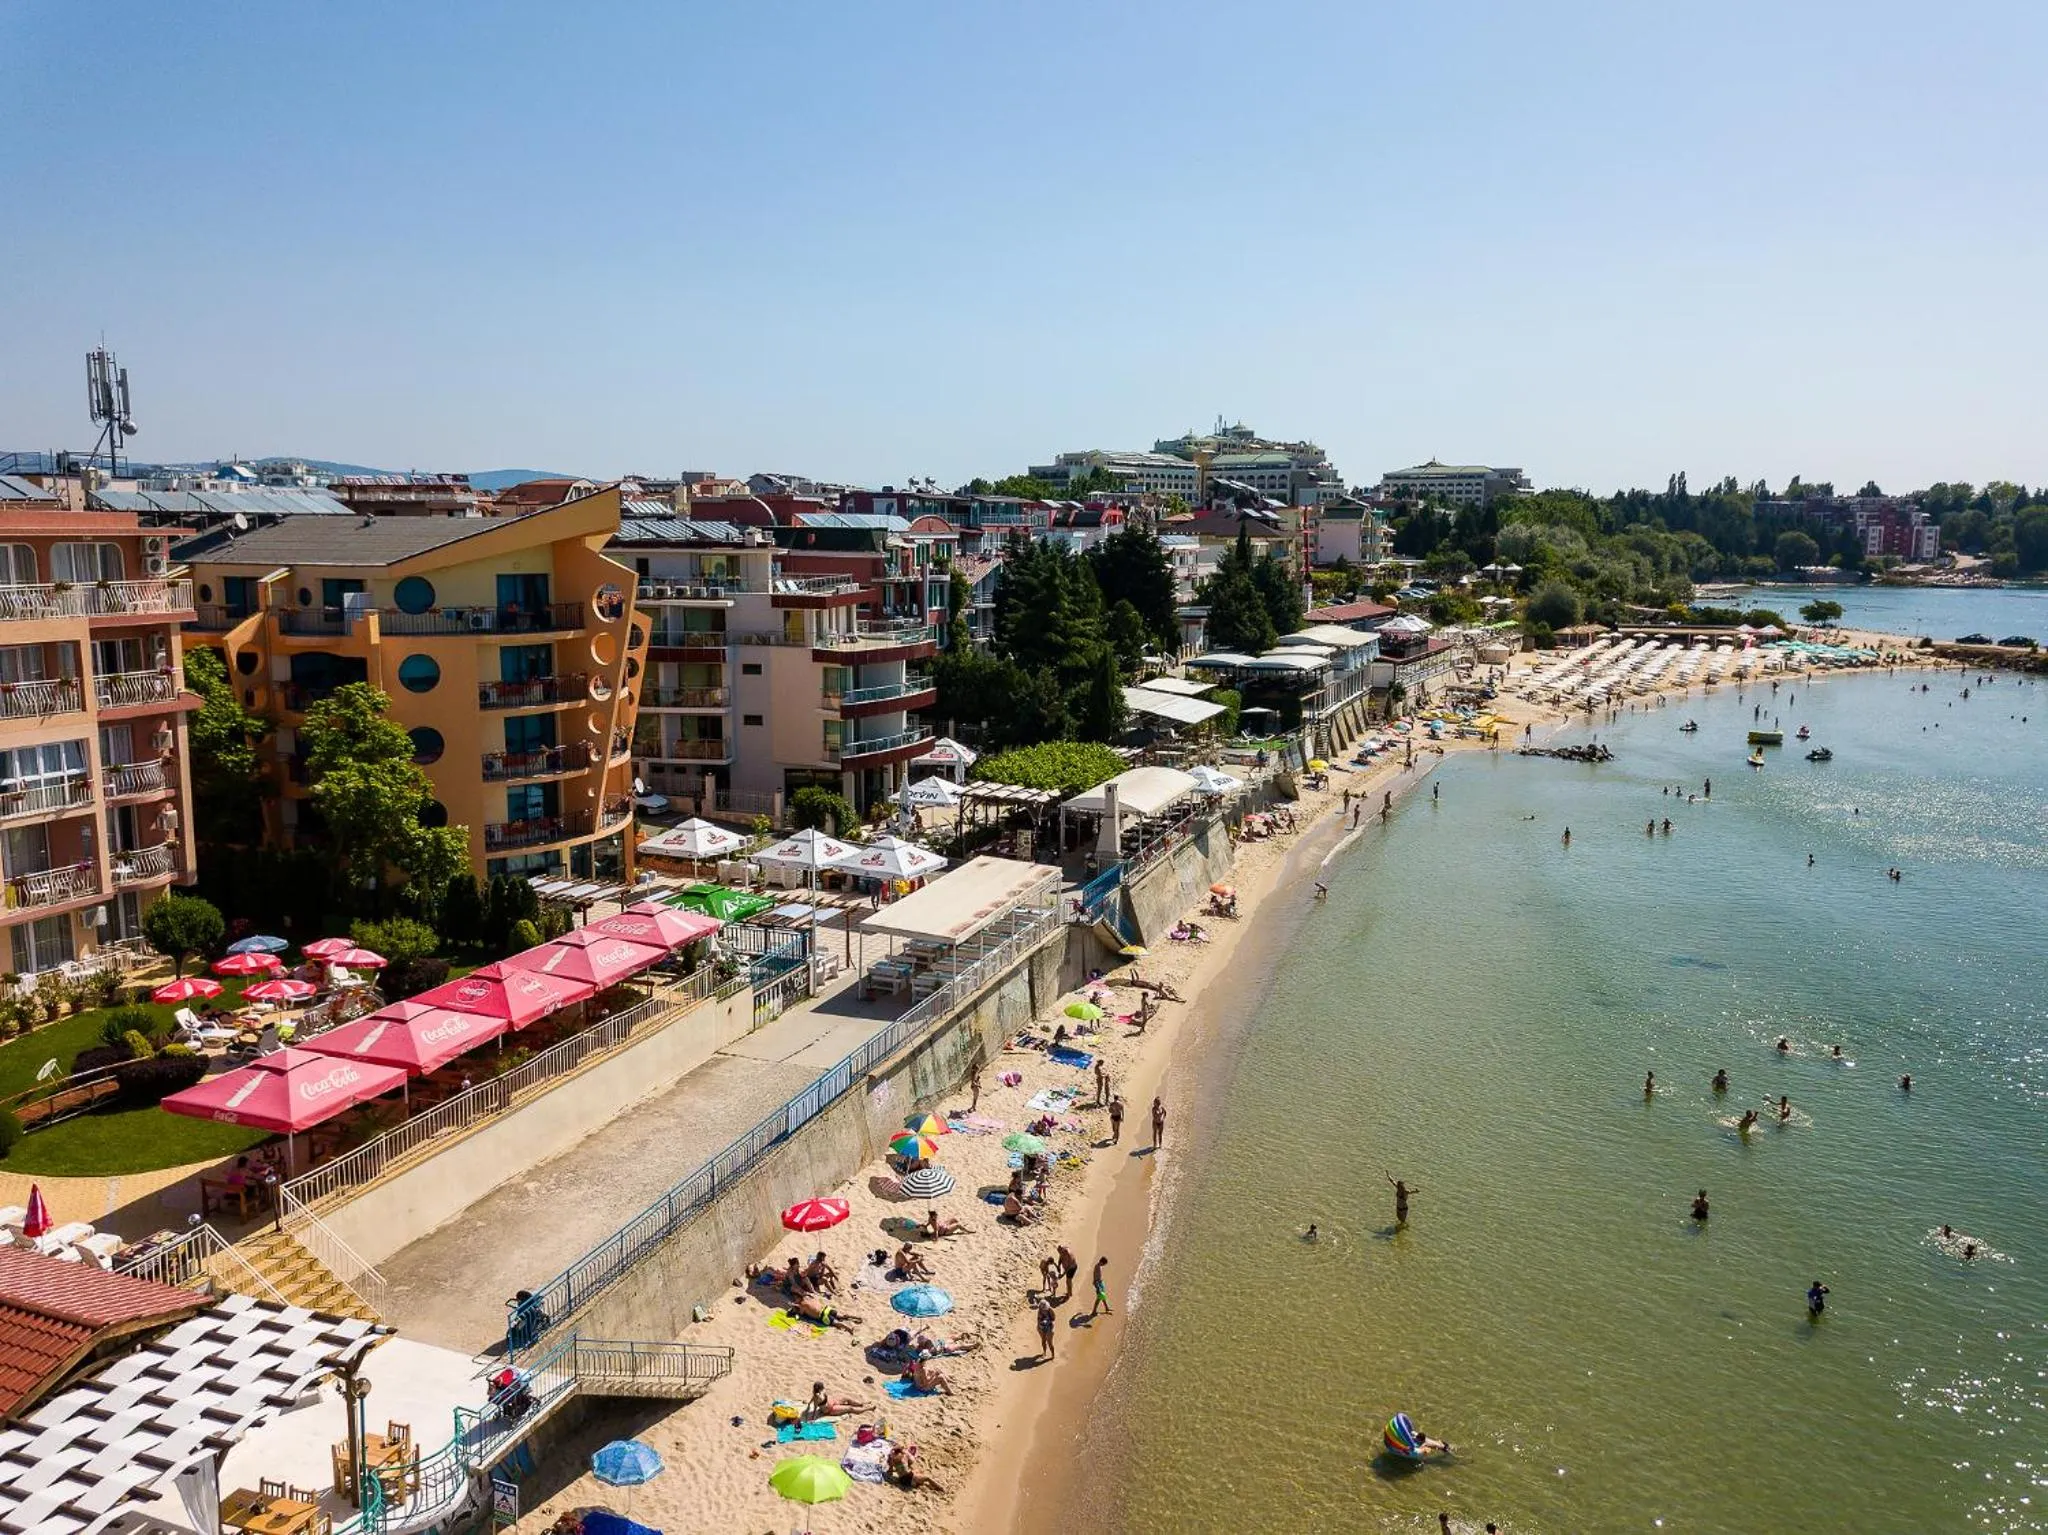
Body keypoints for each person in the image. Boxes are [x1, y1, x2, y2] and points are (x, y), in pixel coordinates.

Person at [794, 1293, 860, 1332]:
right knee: (842, 1316)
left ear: (799, 1298)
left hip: (823, 1315)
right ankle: (856, 1317)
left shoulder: (802, 1305)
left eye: (795, 1299)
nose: (795, 1300)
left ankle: (849, 1328)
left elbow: (800, 1314)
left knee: (836, 1323)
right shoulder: (809, 1298)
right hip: (827, 1308)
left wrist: (796, 1307)